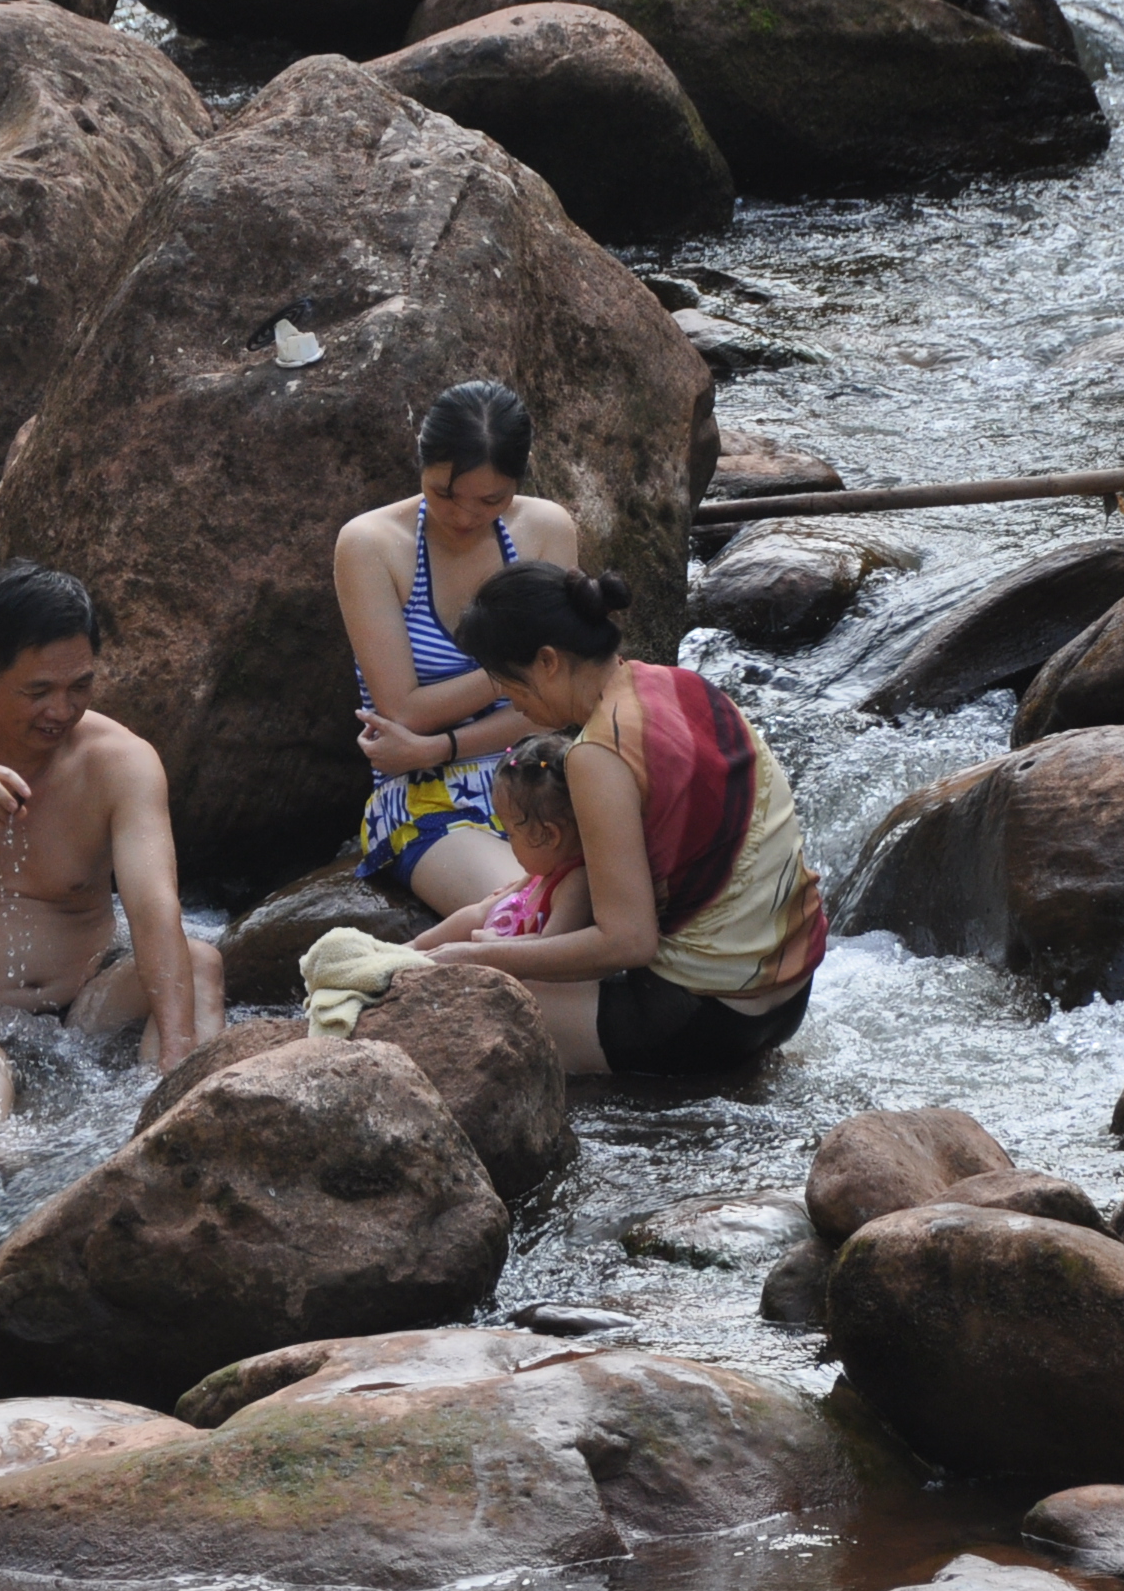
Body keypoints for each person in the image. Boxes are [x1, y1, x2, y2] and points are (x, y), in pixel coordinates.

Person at [0, 562, 224, 1167]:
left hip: (85, 1011)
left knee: (200, 959)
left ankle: (175, 1110)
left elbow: (155, 907)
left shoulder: (119, 760)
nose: (61, 709)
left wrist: (176, 1051)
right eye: (38, 691)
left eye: (80, 686)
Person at [425, 561, 824, 1077]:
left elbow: (629, 941)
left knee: (451, 999)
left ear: (547, 661)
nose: (510, 701)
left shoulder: (597, 753)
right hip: (790, 994)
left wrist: (477, 958)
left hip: (706, 1020)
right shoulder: (682, 683)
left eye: (508, 682)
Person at [333, 381, 582, 915]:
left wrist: (439, 745)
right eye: (444, 493)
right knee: (531, 913)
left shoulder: (545, 530)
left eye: (492, 500)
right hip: (424, 791)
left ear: (518, 480)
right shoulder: (371, 544)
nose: (465, 516)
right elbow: (403, 711)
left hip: (541, 772)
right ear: (421, 462)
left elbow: (559, 705)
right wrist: (519, 671)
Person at [410, 734, 591, 950]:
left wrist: (495, 946)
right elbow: (480, 912)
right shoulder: (540, 873)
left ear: (549, 835)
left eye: (511, 834)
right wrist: (417, 946)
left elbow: (550, 947)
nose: (508, 842)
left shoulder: (575, 886)